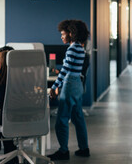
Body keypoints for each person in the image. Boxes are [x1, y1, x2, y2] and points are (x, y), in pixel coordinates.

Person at [47, 19, 90, 161]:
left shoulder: (72, 48)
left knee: (62, 119)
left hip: (70, 83)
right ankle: (84, 148)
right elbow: (71, 68)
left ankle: (63, 151)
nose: (61, 36)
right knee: (78, 118)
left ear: (71, 33)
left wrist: (54, 87)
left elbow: (66, 70)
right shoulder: (80, 48)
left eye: (63, 34)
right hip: (77, 82)